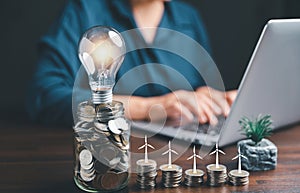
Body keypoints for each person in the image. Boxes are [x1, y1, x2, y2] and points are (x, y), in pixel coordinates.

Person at [27, 0, 237, 126]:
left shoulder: (188, 18)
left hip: (182, 161)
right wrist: (150, 107)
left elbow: (199, 92)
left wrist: (215, 100)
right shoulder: (84, 12)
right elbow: (46, 98)